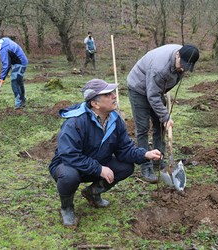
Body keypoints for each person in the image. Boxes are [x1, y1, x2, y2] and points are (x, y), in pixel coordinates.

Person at [48, 79, 163, 226]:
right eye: (108, 94)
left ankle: (92, 193)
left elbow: (124, 150)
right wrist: (99, 169)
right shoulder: (75, 122)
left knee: (126, 167)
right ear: (95, 104)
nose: (114, 96)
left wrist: (144, 154)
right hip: (68, 165)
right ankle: (67, 207)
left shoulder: (115, 120)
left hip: (96, 162)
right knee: (69, 176)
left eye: (112, 93)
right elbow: (69, 155)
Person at [127, 44, 199, 183]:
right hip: (138, 87)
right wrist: (165, 116)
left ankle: (158, 160)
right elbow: (152, 95)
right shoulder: (159, 68)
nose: (183, 68)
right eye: (182, 64)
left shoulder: (185, 57)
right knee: (142, 128)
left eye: (187, 66)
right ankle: (146, 164)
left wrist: (163, 116)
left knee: (160, 126)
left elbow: (158, 91)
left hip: (156, 89)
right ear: (177, 55)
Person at [0, 34, 28, 109]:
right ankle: (22, 100)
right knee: (19, 82)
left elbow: (6, 65)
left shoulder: (3, 49)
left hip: (20, 63)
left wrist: (2, 77)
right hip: (22, 61)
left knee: (14, 82)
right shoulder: (4, 40)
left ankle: (18, 104)